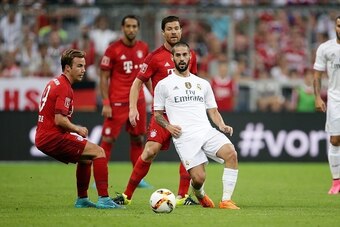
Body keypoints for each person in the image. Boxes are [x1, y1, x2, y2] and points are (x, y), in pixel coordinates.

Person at [113, 16, 199, 206]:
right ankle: (126, 196)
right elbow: (137, 83)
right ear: (163, 33)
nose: (174, 32)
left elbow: (193, 83)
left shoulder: (188, 55)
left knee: (189, 154)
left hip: (184, 114)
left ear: (181, 31)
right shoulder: (154, 57)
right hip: (162, 115)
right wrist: (133, 107)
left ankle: (183, 196)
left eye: (177, 28)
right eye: (170, 29)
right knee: (150, 151)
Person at [153, 41, 240, 209]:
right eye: (177, 55)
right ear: (172, 58)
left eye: (185, 54)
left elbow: (213, 111)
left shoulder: (202, 83)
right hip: (184, 137)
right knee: (199, 178)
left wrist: (221, 125)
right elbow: (157, 114)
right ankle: (199, 193)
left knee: (231, 154)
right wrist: (169, 127)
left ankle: (226, 200)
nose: (182, 58)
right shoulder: (163, 85)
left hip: (206, 131)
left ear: (190, 57)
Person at [35, 49, 123, 209]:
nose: (83, 70)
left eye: (84, 66)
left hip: (44, 136)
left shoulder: (56, 82)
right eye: (79, 66)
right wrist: (76, 129)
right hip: (53, 136)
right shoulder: (64, 87)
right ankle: (104, 199)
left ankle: (82, 200)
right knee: (99, 152)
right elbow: (59, 119)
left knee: (86, 158)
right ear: (68, 68)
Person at [99, 15, 151, 188]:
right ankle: (99, 177)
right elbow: (103, 77)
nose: (131, 29)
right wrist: (106, 102)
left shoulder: (143, 48)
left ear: (138, 28)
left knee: (138, 139)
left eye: (134, 26)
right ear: (122, 28)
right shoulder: (112, 50)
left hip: (139, 101)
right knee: (108, 139)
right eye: (128, 26)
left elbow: (147, 75)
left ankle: (139, 179)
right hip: (117, 102)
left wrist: (153, 94)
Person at [313, 15, 340, 195]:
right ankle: (336, 181)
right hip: (335, 99)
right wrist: (317, 97)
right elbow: (317, 75)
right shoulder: (326, 48)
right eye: (339, 25)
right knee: (335, 139)